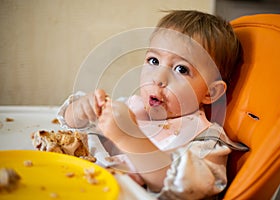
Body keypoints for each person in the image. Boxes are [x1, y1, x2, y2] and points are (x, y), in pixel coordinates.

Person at [57, 10, 248, 199]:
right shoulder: (132, 108)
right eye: (153, 60)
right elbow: (71, 129)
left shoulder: (205, 139)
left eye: (181, 69)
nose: (158, 77)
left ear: (210, 92)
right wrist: (82, 108)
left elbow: (184, 188)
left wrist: (129, 138)